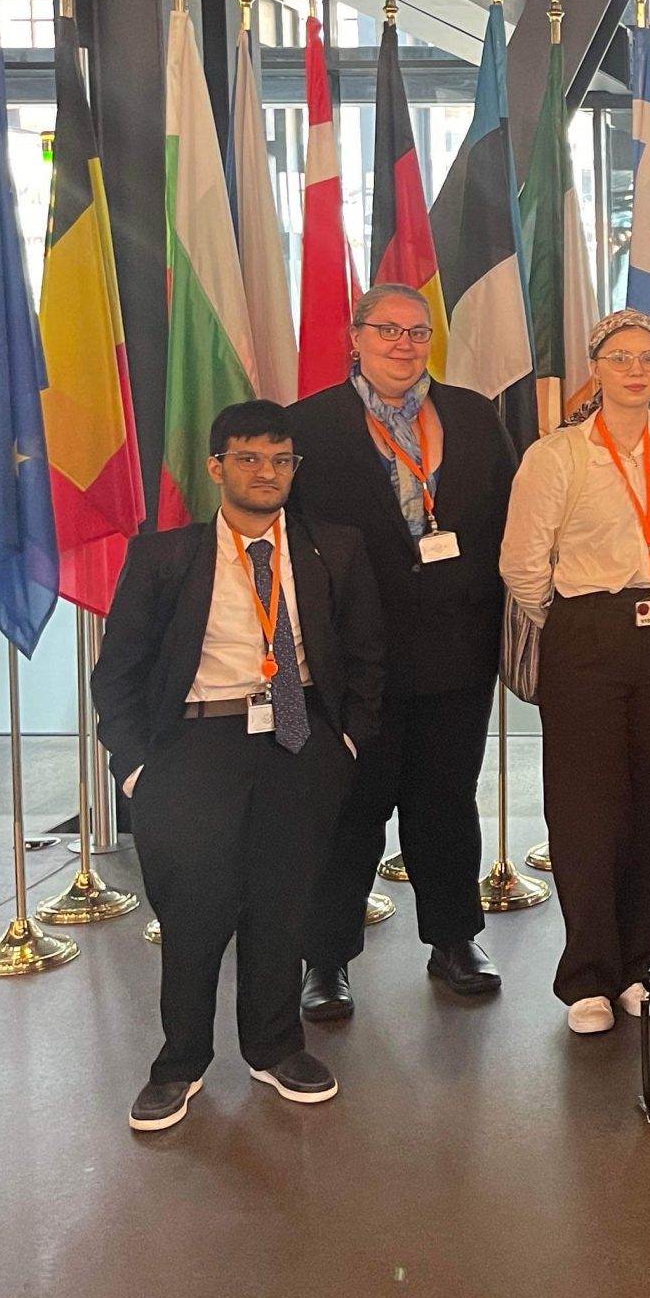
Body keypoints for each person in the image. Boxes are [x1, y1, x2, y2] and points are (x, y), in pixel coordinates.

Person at [93, 401, 384, 1132]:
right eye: (250, 459)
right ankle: (180, 1063)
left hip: (298, 738)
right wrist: (134, 769)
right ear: (218, 467)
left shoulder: (333, 549)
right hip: (195, 747)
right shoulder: (165, 557)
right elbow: (118, 673)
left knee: (283, 906)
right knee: (194, 913)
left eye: (281, 460)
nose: (267, 473)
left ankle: (276, 1047)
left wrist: (343, 745)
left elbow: (368, 659)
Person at [287, 284, 517, 1019]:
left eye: (417, 332)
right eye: (386, 329)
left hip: (458, 646)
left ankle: (454, 940)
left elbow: (511, 521)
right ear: (355, 337)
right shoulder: (309, 426)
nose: (403, 344)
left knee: (446, 799)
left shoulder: (476, 418)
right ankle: (325, 958)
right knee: (350, 805)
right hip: (355, 655)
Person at [501, 311, 650, 1035]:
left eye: (648, 357)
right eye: (621, 357)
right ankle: (585, 974)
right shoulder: (557, 456)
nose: (637, 369)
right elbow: (523, 564)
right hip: (584, 630)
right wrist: (573, 624)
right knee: (587, 807)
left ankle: (635, 966)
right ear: (598, 366)